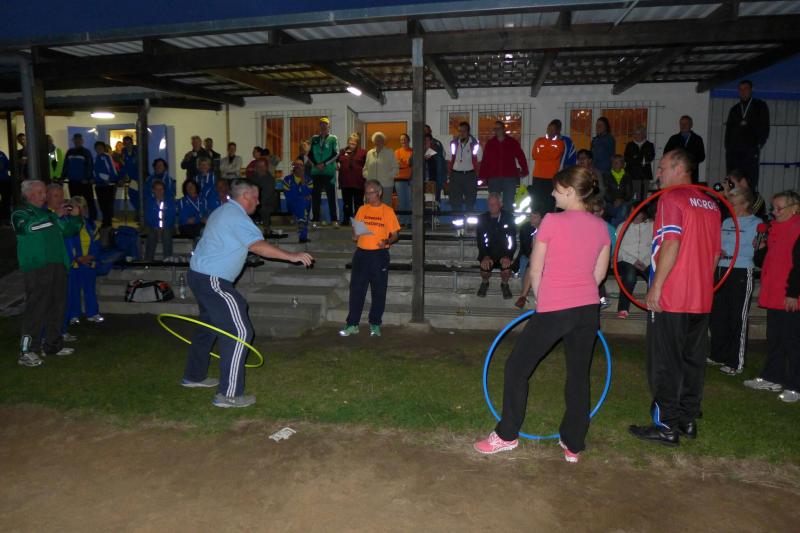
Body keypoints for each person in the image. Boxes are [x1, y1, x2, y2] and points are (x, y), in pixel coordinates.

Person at [474, 165, 611, 463]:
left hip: (556, 307)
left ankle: (507, 435)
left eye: (557, 189)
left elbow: (535, 269)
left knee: (516, 368)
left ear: (570, 192)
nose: (552, 193)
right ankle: (573, 443)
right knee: (578, 376)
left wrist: (543, 299)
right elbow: (599, 275)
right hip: (588, 309)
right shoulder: (601, 226)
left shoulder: (551, 221)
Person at [182, 178, 313, 407]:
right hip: (213, 279)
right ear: (244, 197)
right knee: (239, 331)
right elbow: (257, 246)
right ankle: (229, 394)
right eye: (255, 197)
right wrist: (292, 256)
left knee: (208, 326)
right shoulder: (237, 216)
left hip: (199, 276)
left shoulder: (222, 211)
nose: (258, 202)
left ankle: (194, 376)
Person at [629, 149, 721, 447]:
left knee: (664, 362)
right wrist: (702, 285)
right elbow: (715, 254)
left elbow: (671, 243)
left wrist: (656, 287)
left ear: (680, 168)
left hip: (672, 296)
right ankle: (686, 420)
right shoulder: (710, 204)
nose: (658, 173)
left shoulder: (671, 198)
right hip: (700, 297)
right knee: (692, 361)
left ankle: (666, 425)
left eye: (663, 167)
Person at [12, 180, 82, 366]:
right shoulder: (20, 213)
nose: (45, 195)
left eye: (44, 192)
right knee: (36, 309)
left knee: (57, 307)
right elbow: (29, 228)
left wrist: (76, 217)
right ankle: (26, 351)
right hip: (37, 266)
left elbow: (68, 231)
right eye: (41, 192)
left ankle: (52, 345)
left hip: (58, 264)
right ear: (29, 194)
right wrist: (54, 217)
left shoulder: (48, 214)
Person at [743, 191, 800, 402]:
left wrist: (793, 293)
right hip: (774, 292)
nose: (775, 212)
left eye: (779, 208)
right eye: (773, 208)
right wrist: (760, 248)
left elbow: (799, 266)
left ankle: (795, 386)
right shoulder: (773, 229)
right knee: (775, 339)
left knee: (792, 342)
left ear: (795, 208)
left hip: (790, 295)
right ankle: (772, 377)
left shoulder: (797, 229)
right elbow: (761, 261)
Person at [339, 179, 400, 338]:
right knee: (356, 290)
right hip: (361, 254)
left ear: (379, 192)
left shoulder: (387, 211)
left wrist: (386, 241)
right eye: (366, 193)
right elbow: (356, 232)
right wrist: (355, 234)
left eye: (371, 193)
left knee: (379, 290)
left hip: (379, 255)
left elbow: (395, 235)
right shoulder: (362, 209)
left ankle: (375, 323)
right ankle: (352, 324)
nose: (368, 196)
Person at [708, 187, 760, 375]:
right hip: (721, 269)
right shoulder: (727, 221)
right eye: (729, 203)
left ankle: (735, 361)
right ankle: (718, 354)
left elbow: (758, 249)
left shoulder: (756, 223)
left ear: (745, 204)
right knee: (717, 315)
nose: (730, 207)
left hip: (741, 271)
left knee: (737, 316)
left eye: (734, 203)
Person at [64, 195, 103, 325]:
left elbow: (97, 243)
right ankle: (74, 314)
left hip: (89, 262)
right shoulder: (67, 224)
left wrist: (90, 256)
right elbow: (67, 244)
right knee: (73, 290)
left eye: (82, 207)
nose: (80, 210)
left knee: (90, 289)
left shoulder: (91, 224)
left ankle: (92, 313)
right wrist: (77, 258)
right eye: (77, 207)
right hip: (73, 264)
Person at [725, 80, 770, 192]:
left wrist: (758, 144)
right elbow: (728, 131)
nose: (743, 91)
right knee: (732, 183)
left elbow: (765, 127)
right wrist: (728, 148)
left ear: (751, 89)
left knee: (749, 184)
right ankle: (732, 202)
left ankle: (750, 202)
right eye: (740, 89)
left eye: (745, 88)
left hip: (750, 152)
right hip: (734, 154)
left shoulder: (759, 106)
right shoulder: (735, 109)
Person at [479, 121, 528, 212]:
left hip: (509, 177)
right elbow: (485, 160)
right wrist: (482, 177)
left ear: (503, 129)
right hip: (493, 177)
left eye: (499, 128)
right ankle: (495, 220)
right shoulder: (490, 143)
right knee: (494, 202)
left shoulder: (512, 142)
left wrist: (524, 170)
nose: (497, 130)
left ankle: (507, 220)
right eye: (495, 129)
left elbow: (521, 156)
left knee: (508, 203)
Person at [475, 192, 517, 299]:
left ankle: (504, 284)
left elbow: (512, 240)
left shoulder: (509, 218)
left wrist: (508, 255)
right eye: (490, 204)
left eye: (494, 204)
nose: (491, 206)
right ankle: (485, 282)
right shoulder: (482, 218)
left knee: (506, 269)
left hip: (504, 253)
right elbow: (480, 240)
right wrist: (485, 256)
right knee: (484, 270)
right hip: (488, 253)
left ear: (501, 204)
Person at [615, 203, 653, 319]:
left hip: (646, 261)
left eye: (638, 212)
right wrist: (633, 261)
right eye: (632, 212)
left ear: (644, 213)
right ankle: (623, 308)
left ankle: (651, 307)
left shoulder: (652, 226)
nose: (634, 215)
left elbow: (656, 247)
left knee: (654, 275)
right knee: (630, 274)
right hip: (625, 261)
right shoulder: (623, 226)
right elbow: (618, 250)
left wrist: (646, 261)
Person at [308, 117, 339, 226]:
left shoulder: (333, 138)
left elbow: (335, 153)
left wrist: (324, 164)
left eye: (325, 124)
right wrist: (316, 164)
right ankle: (315, 220)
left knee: (332, 197)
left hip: (328, 172)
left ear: (328, 126)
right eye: (321, 124)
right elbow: (310, 154)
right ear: (319, 126)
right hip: (316, 172)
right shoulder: (314, 138)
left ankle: (334, 220)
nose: (323, 126)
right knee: (315, 197)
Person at [531, 120, 566, 214]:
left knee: (549, 203)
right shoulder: (539, 141)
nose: (550, 131)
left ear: (557, 131)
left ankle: (549, 221)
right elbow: (534, 155)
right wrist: (548, 153)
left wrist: (542, 153)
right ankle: (537, 222)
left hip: (551, 177)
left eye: (553, 129)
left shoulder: (560, 143)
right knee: (536, 202)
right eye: (549, 128)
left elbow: (554, 156)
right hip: (537, 176)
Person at [61, 133, 96, 222]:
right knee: (74, 202)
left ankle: (92, 220)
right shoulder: (69, 152)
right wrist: (62, 177)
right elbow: (66, 165)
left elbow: (90, 166)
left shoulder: (86, 152)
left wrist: (87, 178)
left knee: (89, 201)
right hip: (73, 182)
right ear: (73, 141)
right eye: (75, 139)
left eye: (79, 139)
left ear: (82, 141)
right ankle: (75, 219)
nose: (77, 141)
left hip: (84, 182)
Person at [448, 122, 482, 213]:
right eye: (460, 131)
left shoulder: (475, 145)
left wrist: (478, 177)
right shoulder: (453, 144)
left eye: (464, 131)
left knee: (470, 203)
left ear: (468, 132)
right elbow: (448, 160)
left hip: (470, 176)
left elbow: (479, 162)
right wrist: (449, 175)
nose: (461, 133)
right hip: (456, 176)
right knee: (455, 203)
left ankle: (469, 221)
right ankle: (457, 222)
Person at [590, 196, 617, 309]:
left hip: (602, 261)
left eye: (595, 211)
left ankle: (601, 300)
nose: (592, 214)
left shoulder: (609, 228)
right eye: (590, 211)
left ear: (601, 212)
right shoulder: (585, 225)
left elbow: (612, 249)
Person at [513, 210, 542, 309]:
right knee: (529, 264)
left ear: (542, 219)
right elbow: (526, 248)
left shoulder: (548, 230)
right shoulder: (526, 228)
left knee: (534, 265)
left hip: (547, 258)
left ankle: (527, 296)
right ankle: (523, 296)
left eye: (535, 217)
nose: (531, 219)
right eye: (531, 216)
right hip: (530, 256)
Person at [664, 116, 705, 183]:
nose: (683, 126)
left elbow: (701, 156)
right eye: (681, 124)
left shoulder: (697, 139)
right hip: (676, 173)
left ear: (691, 125)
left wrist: (689, 162)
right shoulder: (673, 139)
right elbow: (666, 154)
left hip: (691, 174)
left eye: (686, 124)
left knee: (690, 189)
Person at [362, 132, 398, 207]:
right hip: (372, 186)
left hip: (386, 185)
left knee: (386, 206)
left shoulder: (389, 152)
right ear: (374, 141)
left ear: (383, 141)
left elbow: (396, 168)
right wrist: (368, 176)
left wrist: (388, 176)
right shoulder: (369, 153)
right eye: (376, 140)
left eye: (380, 140)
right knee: (371, 206)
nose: (378, 141)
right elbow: (365, 169)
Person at [338, 133, 366, 226]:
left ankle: (359, 222)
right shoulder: (342, 152)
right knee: (346, 203)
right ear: (348, 142)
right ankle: (346, 220)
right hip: (345, 182)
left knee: (358, 203)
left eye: (354, 142)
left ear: (357, 143)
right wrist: (336, 166)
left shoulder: (363, 152)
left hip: (358, 182)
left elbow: (367, 166)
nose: (352, 143)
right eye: (350, 141)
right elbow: (335, 161)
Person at [282, 159, 313, 243]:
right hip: (292, 204)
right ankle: (303, 236)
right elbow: (289, 196)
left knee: (303, 205)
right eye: (297, 165)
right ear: (294, 167)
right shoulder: (287, 179)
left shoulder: (308, 180)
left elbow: (308, 193)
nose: (299, 167)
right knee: (303, 202)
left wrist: (303, 182)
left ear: (304, 168)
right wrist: (302, 196)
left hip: (304, 205)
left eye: (301, 165)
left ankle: (301, 222)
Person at [144, 180, 175, 261]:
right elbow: (149, 217)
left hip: (167, 227)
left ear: (164, 190)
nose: (159, 191)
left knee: (167, 233)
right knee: (151, 235)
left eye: (161, 189)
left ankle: (168, 259)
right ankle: (148, 261)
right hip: (153, 227)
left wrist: (162, 227)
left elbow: (171, 217)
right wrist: (156, 227)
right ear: (153, 191)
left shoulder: (169, 201)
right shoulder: (149, 202)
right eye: (156, 189)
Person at [623, 125, 655, 200]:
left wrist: (636, 157)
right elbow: (627, 158)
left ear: (644, 134)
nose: (636, 136)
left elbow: (650, 158)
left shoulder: (649, 145)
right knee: (630, 196)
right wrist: (640, 159)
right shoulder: (629, 145)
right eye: (635, 133)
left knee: (643, 198)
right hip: (632, 175)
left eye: (639, 133)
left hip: (645, 175)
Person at [93, 141, 119, 228]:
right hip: (99, 185)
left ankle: (107, 223)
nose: (98, 149)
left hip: (107, 185)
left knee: (107, 205)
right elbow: (95, 171)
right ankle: (106, 222)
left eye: (100, 148)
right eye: (97, 148)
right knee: (102, 205)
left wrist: (111, 179)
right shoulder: (96, 158)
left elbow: (112, 169)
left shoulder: (106, 157)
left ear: (104, 148)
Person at [601, 155, 633, 227]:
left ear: (623, 165)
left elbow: (629, 193)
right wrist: (613, 200)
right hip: (610, 203)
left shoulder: (627, 176)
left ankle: (614, 227)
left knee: (624, 208)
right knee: (623, 212)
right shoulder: (606, 175)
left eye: (617, 162)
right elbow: (605, 192)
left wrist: (622, 200)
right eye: (613, 162)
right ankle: (618, 229)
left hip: (624, 202)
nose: (615, 164)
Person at [248, 158, 277, 235]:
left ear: (266, 167)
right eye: (258, 166)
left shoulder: (270, 179)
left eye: (262, 166)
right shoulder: (252, 178)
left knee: (264, 208)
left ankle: (267, 229)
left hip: (267, 203)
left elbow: (267, 195)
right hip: (254, 202)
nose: (260, 168)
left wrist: (256, 203)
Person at [394, 133, 413, 226]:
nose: (403, 141)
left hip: (410, 179)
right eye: (401, 139)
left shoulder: (413, 152)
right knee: (401, 201)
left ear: (408, 140)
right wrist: (407, 163)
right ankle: (401, 221)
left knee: (409, 201)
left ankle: (409, 221)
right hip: (399, 180)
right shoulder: (397, 152)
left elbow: (412, 164)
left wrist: (403, 163)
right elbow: (397, 165)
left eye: (405, 139)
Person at [423, 133, 448, 203]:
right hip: (426, 180)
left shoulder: (436, 150)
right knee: (427, 202)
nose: (426, 142)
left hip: (435, 181)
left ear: (431, 141)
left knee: (435, 201)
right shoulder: (422, 151)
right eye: (425, 140)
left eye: (427, 140)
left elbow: (441, 169)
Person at [119, 136, 139, 211]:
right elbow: (123, 167)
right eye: (125, 143)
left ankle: (141, 213)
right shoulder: (124, 154)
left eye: (129, 143)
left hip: (140, 178)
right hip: (132, 179)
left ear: (132, 143)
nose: (128, 145)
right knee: (133, 195)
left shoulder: (138, 152)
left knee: (142, 196)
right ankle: (138, 212)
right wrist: (121, 178)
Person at [0, 148, 11, 225]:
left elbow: (8, 166)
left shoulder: (1, 154)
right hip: (3, 180)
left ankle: (6, 219)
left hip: (4, 180)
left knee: (6, 200)